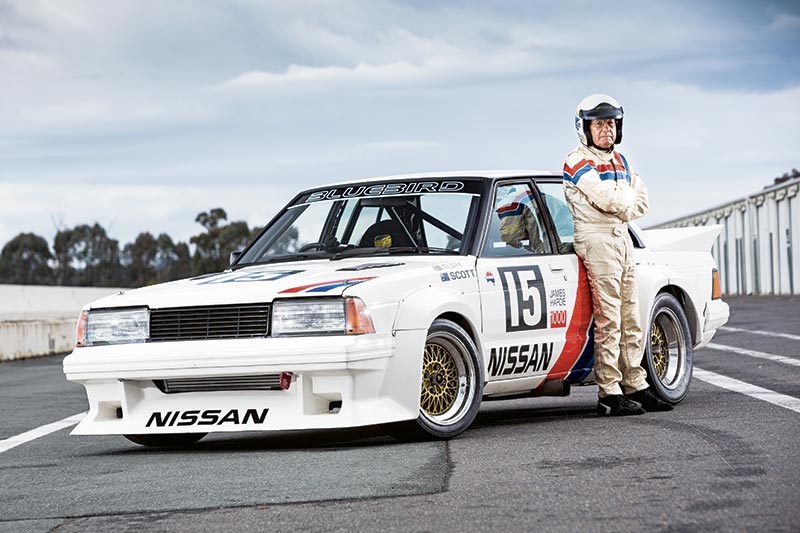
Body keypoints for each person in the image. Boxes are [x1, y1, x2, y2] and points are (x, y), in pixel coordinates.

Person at [562, 94, 672, 416]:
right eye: (599, 124)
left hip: (621, 236)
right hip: (596, 239)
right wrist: (623, 201)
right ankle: (609, 392)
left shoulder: (622, 161)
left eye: (611, 123)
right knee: (609, 318)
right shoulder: (576, 160)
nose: (606, 130)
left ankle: (635, 383)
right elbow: (609, 198)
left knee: (631, 316)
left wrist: (622, 202)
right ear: (585, 128)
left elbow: (640, 201)